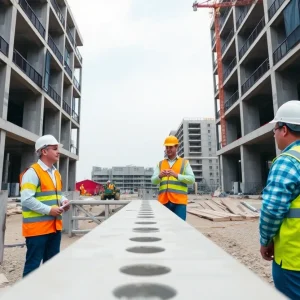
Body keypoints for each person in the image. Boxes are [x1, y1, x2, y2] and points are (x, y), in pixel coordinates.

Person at [259, 100, 300, 299]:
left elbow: (272, 209)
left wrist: (265, 240)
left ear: (284, 130)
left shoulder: (288, 161)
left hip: (294, 259)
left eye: (274, 129)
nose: (274, 134)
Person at [20, 134, 70, 277]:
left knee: (51, 267)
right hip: (37, 231)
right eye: (55, 148)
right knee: (33, 268)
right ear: (44, 151)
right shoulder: (32, 172)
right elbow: (26, 199)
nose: (58, 152)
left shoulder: (56, 173)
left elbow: (56, 195)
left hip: (54, 228)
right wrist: (49, 210)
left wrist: (63, 201)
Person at [151, 135, 195, 220]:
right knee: (164, 227)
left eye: (171, 147)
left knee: (179, 228)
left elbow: (192, 179)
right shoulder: (160, 164)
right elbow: (153, 181)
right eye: (167, 147)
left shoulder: (184, 163)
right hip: (163, 201)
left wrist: (177, 175)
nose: (168, 149)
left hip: (179, 202)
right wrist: (159, 176)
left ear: (176, 147)